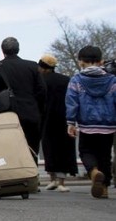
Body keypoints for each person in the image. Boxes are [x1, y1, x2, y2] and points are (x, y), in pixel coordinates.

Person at [66, 46, 116, 199]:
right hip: (108, 125)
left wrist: (70, 122)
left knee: (85, 152)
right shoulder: (113, 80)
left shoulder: (76, 80)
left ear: (81, 62)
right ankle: (105, 188)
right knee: (105, 156)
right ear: (101, 61)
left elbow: (71, 102)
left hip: (87, 125)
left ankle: (94, 172)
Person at [0, 37, 46, 164]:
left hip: (8, 113)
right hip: (31, 111)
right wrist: (38, 108)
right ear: (18, 49)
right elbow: (42, 90)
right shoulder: (32, 66)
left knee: (10, 147)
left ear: (2, 50)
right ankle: (32, 173)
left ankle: (16, 175)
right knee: (31, 146)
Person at [38, 54, 77, 192]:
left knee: (49, 149)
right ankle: (62, 181)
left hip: (46, 119)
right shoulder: (66, 80)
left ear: (42, 67)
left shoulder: (41, 81)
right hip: (64, 118)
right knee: (64, 149)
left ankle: (52, 179)